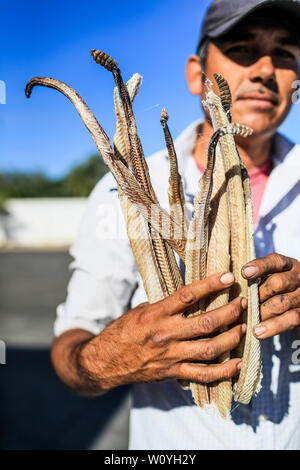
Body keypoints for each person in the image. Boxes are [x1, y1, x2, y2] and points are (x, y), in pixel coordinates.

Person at [51, 0, 300, 450]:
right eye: (243, 49)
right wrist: (112, 357)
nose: (265, 69)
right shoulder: (121, 190)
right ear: (195, 73)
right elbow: (72, 353)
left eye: (285, 54)